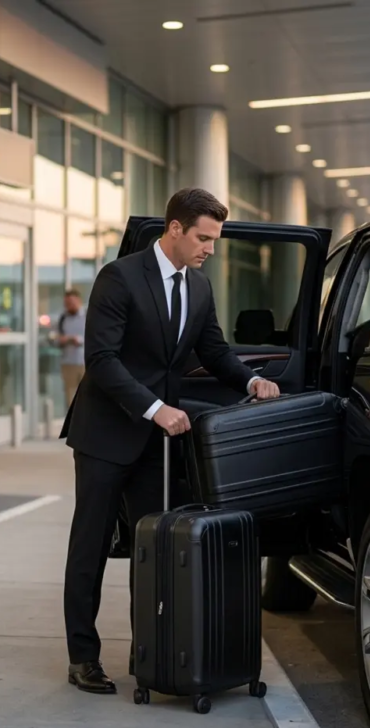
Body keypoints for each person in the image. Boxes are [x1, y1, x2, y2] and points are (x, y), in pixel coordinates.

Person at [60, 188, 280, 694]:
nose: (210, 248)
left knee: (152, 550)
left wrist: (251, 382)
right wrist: (156, 409)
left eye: (215, 239)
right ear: (175, 229)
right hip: (105, 433)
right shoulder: (119, 277)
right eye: (203, 237)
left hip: (156, 447)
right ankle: (82, 658)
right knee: (90, 547)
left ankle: (152, 655)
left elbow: (216, 353)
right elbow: (102, 360)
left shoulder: (199, 288)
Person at [56, 289, 86, 409]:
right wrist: (61, 340)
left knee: (87, 395)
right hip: (68, 362)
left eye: (71, 302)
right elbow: (57, 337)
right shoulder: (63, 318)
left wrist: (77, 339)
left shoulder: (88, 316)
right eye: (67, 303)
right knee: (71, 397)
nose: (69, 306)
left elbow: (96, 337)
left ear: (79, 301)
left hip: (85, 362)